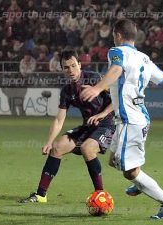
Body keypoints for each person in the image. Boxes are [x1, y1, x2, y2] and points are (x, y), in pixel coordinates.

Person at [81, 19, 163, 219]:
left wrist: (97, 88)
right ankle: (140, 182)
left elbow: (116, 70)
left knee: (130, 171)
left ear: (118, 35)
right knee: (113, 160)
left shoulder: (116, 52)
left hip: (131, 120)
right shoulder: (144, 59)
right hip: (136, 118)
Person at [19, 50, 115, 203]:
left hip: (107, 124)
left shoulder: (94, 78)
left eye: (73, 66)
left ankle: (101, 196)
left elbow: (118, 99)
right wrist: (49, 142)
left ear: (79, 64)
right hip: (88, 126)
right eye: (66, 67)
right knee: (57, 148)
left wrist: (102, 114)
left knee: (87, 148)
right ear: (62, 69)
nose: (70, 70)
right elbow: (59, 120)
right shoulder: (67, 91)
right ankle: (40, 195)